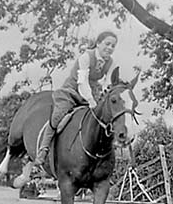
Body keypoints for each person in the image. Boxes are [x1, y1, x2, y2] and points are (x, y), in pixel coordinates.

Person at [14, 31, 119, 187]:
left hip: (92, 95)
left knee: (101, 122)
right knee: (58, 117)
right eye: (107, 44)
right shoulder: (85, 57)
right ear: (98, 43)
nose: (110, 48)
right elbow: (82, 83)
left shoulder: (111, 63)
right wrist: (90, 100)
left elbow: (106, 84)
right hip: (72, 92)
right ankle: (43, 151)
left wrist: (101, 99)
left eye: (113, 45)